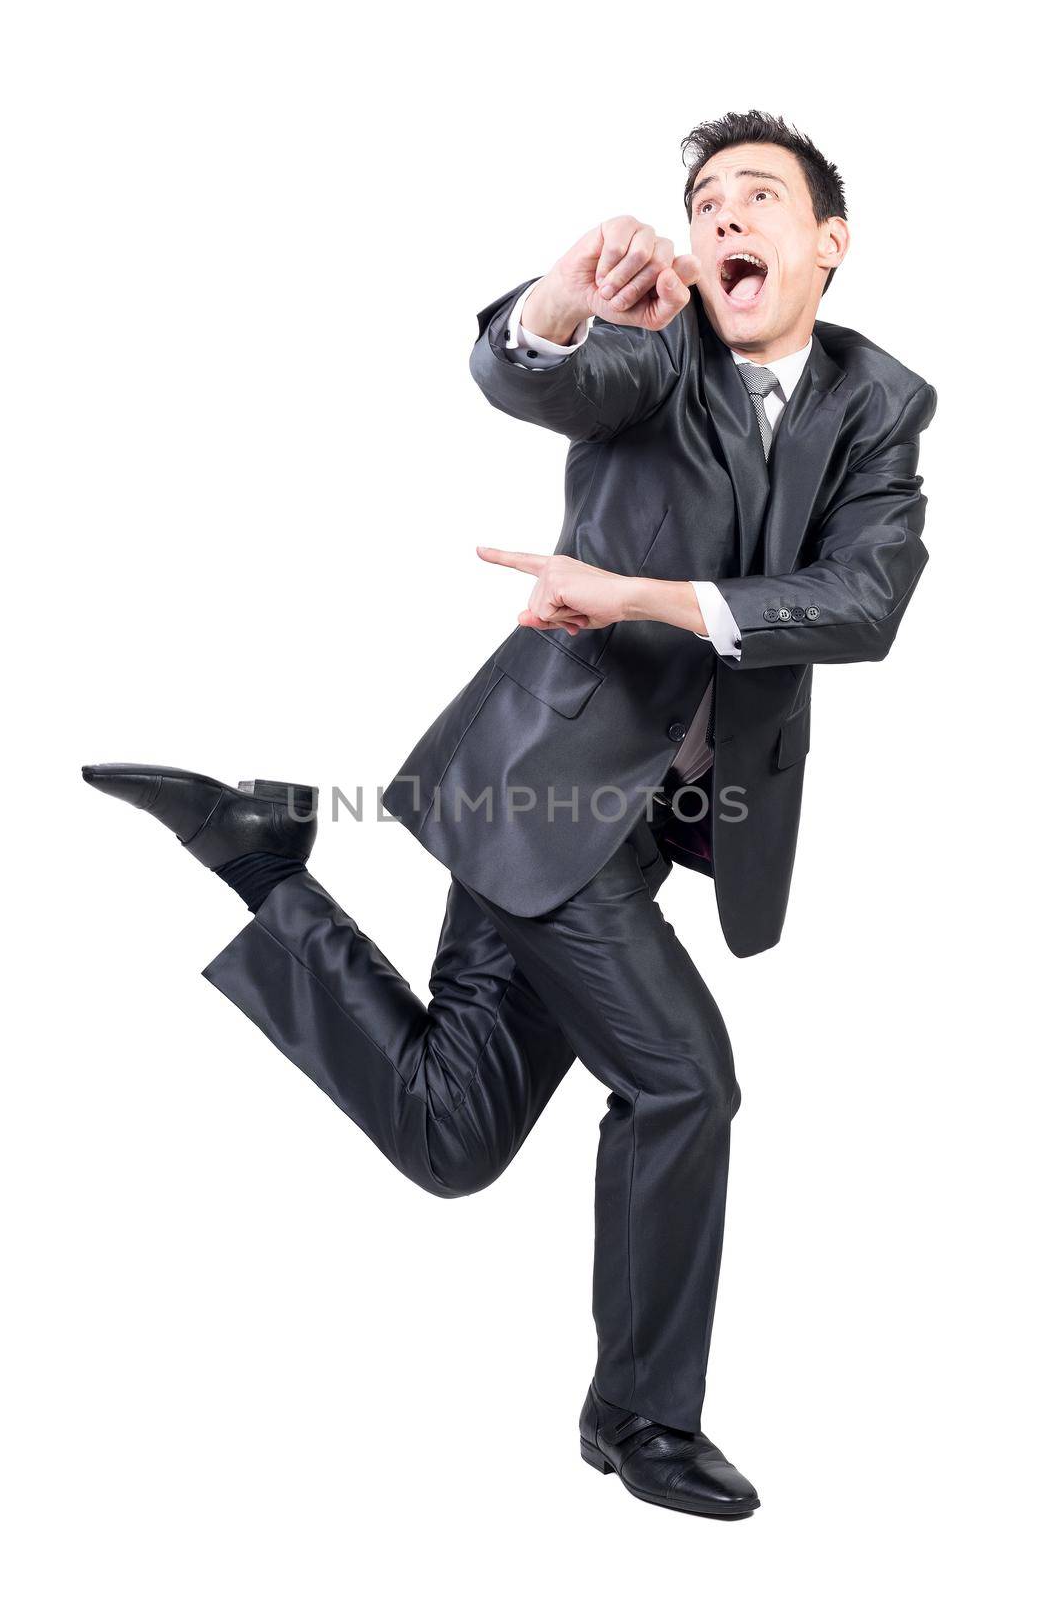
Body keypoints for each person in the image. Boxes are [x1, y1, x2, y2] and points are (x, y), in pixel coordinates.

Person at [82, 109, 936, 1519]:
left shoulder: (879, 410)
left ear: (828, 243)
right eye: (706, 198)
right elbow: (533, 373)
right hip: (543, 789)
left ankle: (258, 860)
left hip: (589, 825)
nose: (726, 218)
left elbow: (866, 603)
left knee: (450, 1136)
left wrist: (641, 597)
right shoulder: (661, 353)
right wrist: (553, 302)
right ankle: (642, 1422)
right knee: (684, 1081)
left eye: (760, 197)